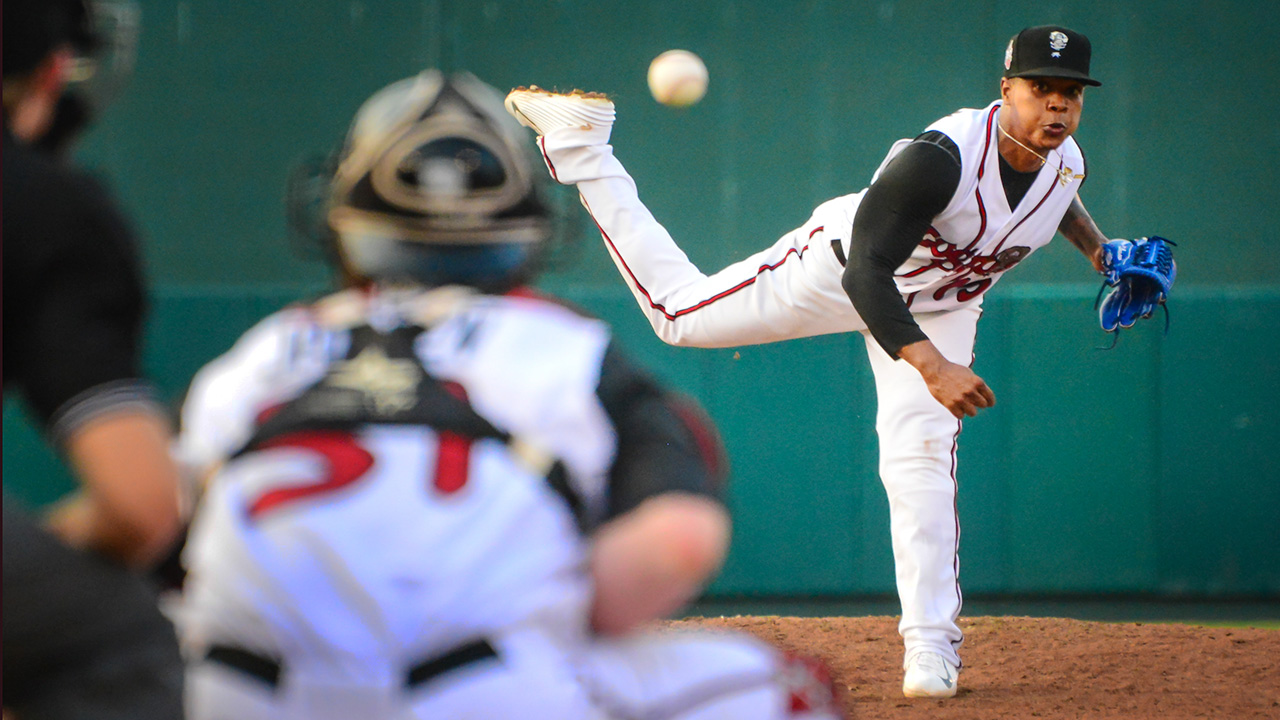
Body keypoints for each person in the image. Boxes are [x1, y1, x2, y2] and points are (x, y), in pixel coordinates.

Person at [175, 69, 843, 720]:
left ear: (343, 212)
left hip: (234, 690)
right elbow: (679, 544)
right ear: (526, 222)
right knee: (789, 686)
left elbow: (153, 530)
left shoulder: (259, 354)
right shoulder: (565, 347)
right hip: (477, 688)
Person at [505, 24, 1122, 699]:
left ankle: (931, 649)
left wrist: (1100, 251)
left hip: (941, 304)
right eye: (1041, 89)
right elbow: (867, 275)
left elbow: (1055, 195)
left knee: (920, 455)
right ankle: (582, 144)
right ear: (1007, 90)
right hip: (839, 271)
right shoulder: (939, 158)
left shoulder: (1064, 159)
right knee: (678, 317)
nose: (1057, 106)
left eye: (1070, 94)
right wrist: (932, 366)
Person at [2, 0, 185, 717]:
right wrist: (57, 541)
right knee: (111, 642)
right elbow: (140, 507)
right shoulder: (42, 203)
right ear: (52, 72)